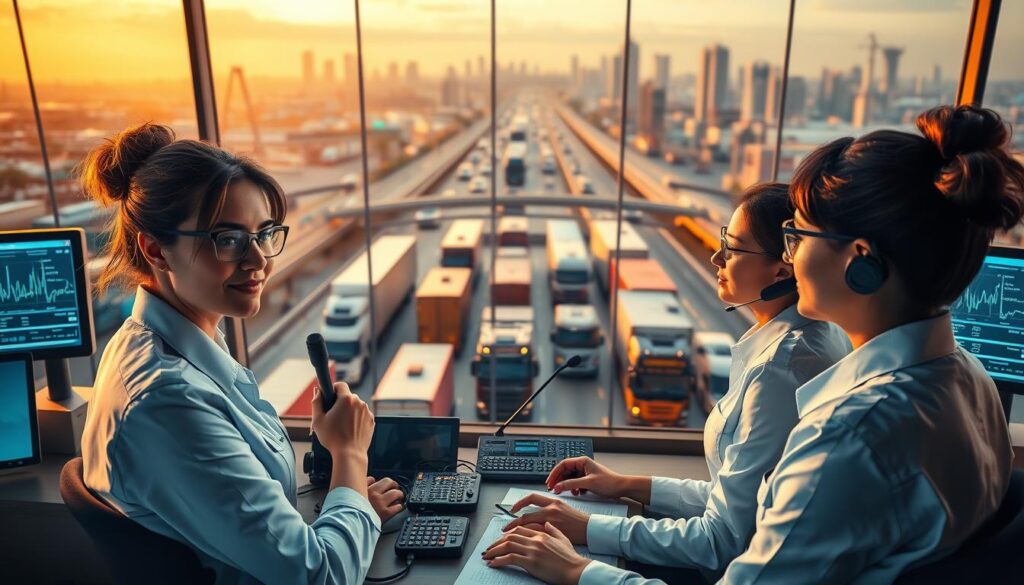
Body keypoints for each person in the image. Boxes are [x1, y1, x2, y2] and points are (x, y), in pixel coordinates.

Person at [80, 123, 404, 584]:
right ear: (156, 250)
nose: (259, 261)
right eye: (227, 239)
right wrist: (349, 456)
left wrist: (348, 505)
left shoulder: (157, 342)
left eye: (264, 233)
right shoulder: (169, 402)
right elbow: (323, 577)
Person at [484, 183, 852, 584]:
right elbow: (738, 502)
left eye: (731, 247)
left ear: (782, 270)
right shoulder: (808, 339)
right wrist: (627, 485)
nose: (716, 257)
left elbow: (722, 540)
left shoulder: (783, 370)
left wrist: (582, 538)